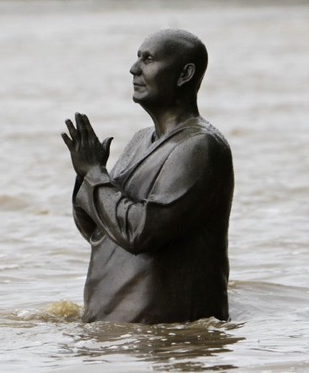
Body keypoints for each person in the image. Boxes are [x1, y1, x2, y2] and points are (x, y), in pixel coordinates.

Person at [62, 29, 233, 324]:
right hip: (118, 338)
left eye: (148, 59)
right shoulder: (141, 141)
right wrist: (85, 175)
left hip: (168, 340)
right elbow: (98, 231)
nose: (134, 68)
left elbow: (141, 232)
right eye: (137, 57)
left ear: (184, 74)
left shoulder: (199, 146)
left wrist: (95, 174)